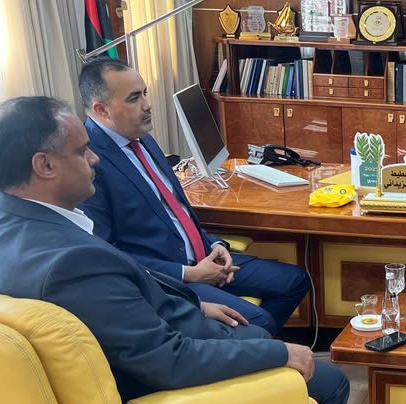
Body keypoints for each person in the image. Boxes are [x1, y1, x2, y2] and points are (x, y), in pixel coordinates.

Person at [0, 96, 348, 404]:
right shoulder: (70, 264)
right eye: (82, 151)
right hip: (174, 387)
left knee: (261, 328)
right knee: (328, 382)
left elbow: (120, 300)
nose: (95, 159)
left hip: (175, 333)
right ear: (44, 165)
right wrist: (280, 354)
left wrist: (196, 303)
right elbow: (170, 362)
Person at [77, 57, 308, 335]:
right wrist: (190, 274)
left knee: (295, 281)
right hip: (169, 278)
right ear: (101, 110)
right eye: (134, 98)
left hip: (204, 257)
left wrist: (215, 244)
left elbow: (177, 211)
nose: (147, 105)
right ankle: (248, 342)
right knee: (260, 323)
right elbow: (110, 255)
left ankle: (240, 341)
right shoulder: (88, 163)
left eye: (145, 93)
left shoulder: (141, 138)